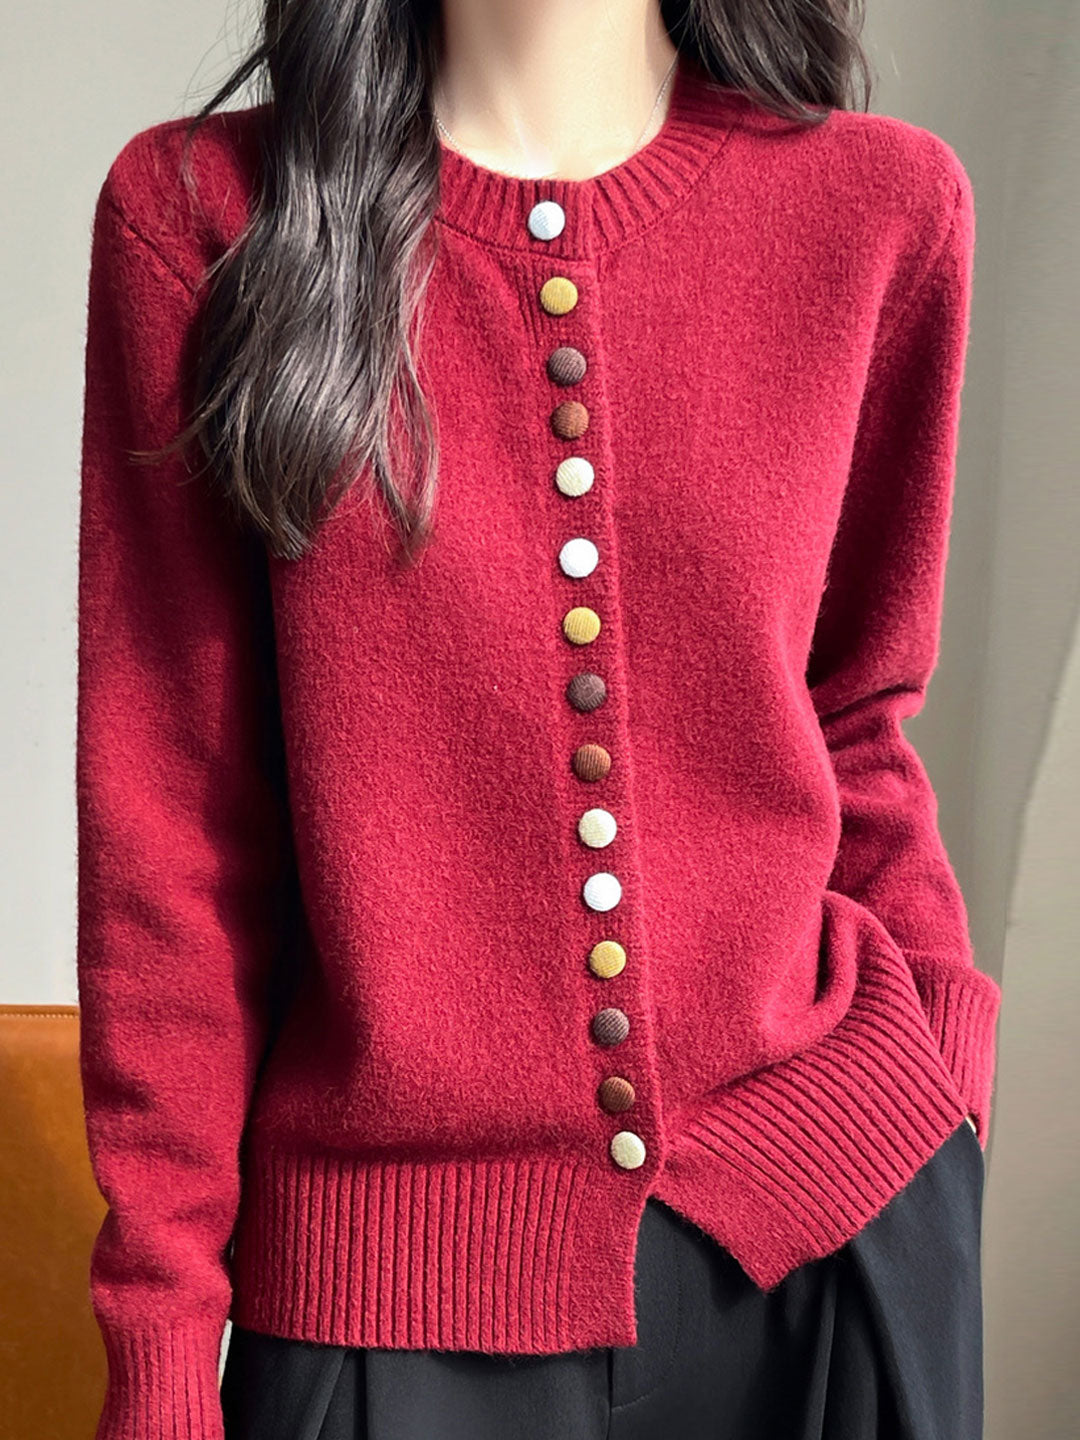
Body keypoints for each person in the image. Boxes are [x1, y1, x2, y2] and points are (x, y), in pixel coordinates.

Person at [75, 1, 1004, 1436]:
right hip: (389, 1296)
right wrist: (159, 1354)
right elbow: (172, 848)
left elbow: (861, 717)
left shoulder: (878, 205)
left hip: (834, 1227)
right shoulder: (203, 218)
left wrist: (949, 1078)